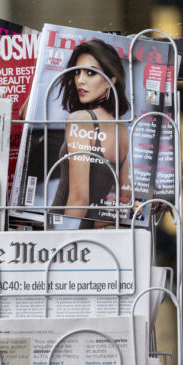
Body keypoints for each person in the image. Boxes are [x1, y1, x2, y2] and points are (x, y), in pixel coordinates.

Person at [51, 39, 132, 229]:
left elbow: (79, 199)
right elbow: (123, 200)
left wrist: (62, 242)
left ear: (110, 81)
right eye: (77, 71)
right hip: (92, 239)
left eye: (91, 73)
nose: (80, 79)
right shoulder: (121, 126)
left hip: (60, 236)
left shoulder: (81, 119)